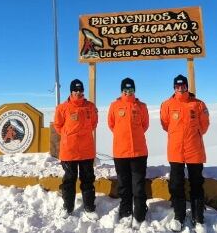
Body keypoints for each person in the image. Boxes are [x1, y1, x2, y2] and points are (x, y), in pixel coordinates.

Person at [160, 75, 210, 232]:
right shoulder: (167, 104)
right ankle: (178, 216)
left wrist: (193, 134)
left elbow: (204, 125)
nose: (180, 89)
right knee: (176, 185)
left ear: (187, 87)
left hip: (194, 150)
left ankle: (198, 218)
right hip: (175, 151)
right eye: (177, 86)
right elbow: (165, 124)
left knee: (197, 184)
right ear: (174, 87)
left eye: (183, 86)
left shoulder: (198, 104)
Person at [107, 77, 150, 228]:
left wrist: (134, 136)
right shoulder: (114, 106)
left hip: (139, 152)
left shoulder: (141, 106)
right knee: (124, 185)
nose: (128, 92)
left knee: (138, 186)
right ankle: (125, 211)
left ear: (134, 90)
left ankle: (139, 214)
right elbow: (111, 124)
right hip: (120, 152)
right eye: (125, 90)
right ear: (121, 90)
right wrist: (122, 136)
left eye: (130, 89)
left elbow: (145, 125)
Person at [53, 79, 99, 219]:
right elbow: (58, 125)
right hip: (69, 151)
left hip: (86, 150)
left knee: (88, 179)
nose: (78, 93)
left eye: (80, 90)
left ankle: (89, 208)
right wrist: (69, 135)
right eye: (76, 90)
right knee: (69, 181)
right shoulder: (62, 107)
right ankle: (68, 207)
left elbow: (94, 123)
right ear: (71, 92)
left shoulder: (90, 106)